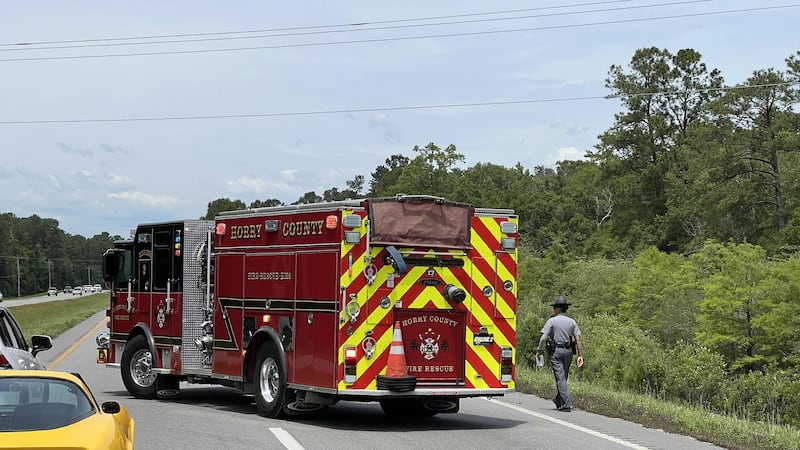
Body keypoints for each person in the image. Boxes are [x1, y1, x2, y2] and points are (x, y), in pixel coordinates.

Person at [535, 295, 584, 412]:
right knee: (563, 377)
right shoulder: (572, 322)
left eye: (554, 308)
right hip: (568, 352)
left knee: (560, 378)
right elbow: (578, 340)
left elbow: (543, 338)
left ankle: (567, 404)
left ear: (557, 309)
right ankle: (559, 400)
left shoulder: (552, 321)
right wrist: (580, 355)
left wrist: (539, 350)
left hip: (556, 351)